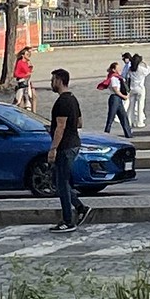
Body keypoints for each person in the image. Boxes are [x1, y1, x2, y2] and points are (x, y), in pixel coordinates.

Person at [47, 68, 90, 229]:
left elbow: (60, 126)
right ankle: (80, 208)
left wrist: (53, 148)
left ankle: (68, 221)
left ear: (59, 80)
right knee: (60, 182)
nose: (51, 83)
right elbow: (79, 123)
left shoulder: (62, 102)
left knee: (62, 184)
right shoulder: (73, 99)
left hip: (65, 146)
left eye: (53, 80)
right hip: (74, 143)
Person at [100, 59, 132, 137]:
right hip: (115, 98)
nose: (119, 69)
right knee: (111, 116)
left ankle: (128, 133)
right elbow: (115, 90)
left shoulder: (118, 77)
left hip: (118, 99)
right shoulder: (113, 78)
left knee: (123, 116)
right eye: (118, 68)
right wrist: (124, 96)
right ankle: (106, 132)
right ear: (114, 69)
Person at [126, 53, 149, 130]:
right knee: (140, 105)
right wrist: (145, 63)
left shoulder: (130, 69)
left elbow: (127, 77)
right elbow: (148, 70)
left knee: (131, 106)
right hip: (140, 88)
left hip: (132, 88)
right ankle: (140, 122)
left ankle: (129, 121)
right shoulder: (141, 69)